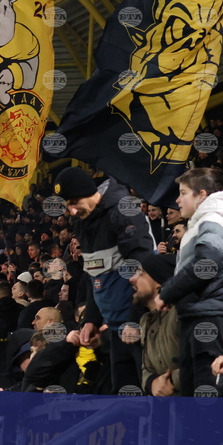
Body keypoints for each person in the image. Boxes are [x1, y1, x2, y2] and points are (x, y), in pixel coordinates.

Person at [55, 166, 154, 393]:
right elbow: (95, 276)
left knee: (151, 395)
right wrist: (91, 320)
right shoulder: (83, 224)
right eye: (67, 205)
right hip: (115, 330)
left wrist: (133, 319)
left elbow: (144, 272)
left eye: (75, 202)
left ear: (90, 192)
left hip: (141, 326)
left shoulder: (124, 212)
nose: (72, 211)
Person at [158, 167, 223, 397]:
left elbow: (206, 265)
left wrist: (167, 292)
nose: (177, 200)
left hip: (206, 314)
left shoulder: (213, 220)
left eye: (183, 193)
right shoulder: (202, 223)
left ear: (202, 195)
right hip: (196, 312)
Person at [133, 253, 179, 397]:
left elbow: (206, 363)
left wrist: (170, 381)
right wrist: (152, 383)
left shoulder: (181, 314)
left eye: (140, 273)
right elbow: (146, 368)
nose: (132, 279)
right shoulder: (146, 321)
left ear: (158, 282)